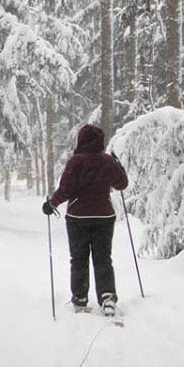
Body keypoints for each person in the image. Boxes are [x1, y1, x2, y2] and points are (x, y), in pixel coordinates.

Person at [42, 124, 128, 316]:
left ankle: (80, 300)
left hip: (78, 217)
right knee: (103, 258)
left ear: (81, 140)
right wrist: (118, 165)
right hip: (104, 216)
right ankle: (107, 297)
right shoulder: (107, 161)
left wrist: (51, 204)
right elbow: (122, 184)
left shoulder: (76, 162)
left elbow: (65, 190)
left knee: (79, 258)